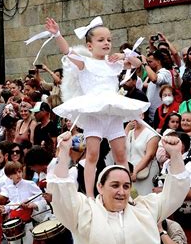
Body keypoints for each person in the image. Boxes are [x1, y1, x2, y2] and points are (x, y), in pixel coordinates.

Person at [45, 16, 149, 197]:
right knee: (92, 156)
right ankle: (91, 195)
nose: (106, 43)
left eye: (109, 40)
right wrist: (57, 35)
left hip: (112, 112)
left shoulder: (114, 63)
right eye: (101, 40)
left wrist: (124, 55)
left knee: (121, 155)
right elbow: (67, 51)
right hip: (94, 112)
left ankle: (127, 192)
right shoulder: (85, 62)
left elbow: (138, 64)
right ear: (90, 46)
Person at [48, 131, 190, 244]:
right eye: (115, 185)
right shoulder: (85, 212)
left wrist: (176, 154)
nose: (121, 192)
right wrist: (64, 153)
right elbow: (62, 195)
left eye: (126, 186)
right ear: (100, 187)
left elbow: (175, 193)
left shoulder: (145, 209)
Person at [0, 161, 46, 244]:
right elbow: (11, 205)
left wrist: (33, 205)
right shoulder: (8, 187)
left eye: (19, 171)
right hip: (14, 223)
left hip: (27, 222)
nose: (18, 175)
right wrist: (4, 209)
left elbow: (42, 199)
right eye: (14, 173)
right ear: (9, 176)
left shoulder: (29, 184)